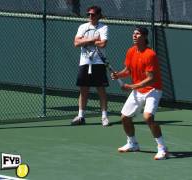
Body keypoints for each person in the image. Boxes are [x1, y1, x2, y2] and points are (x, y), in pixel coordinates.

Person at [111, 26, 169, 160]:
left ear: (144, 37)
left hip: (153, 90)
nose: (134, 36)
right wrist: (118, 74)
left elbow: (151, 79)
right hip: (138, 90)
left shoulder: (150, 54)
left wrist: (131, 86)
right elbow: (128, 70)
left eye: (137, 34)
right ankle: (132, 144)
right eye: (133, 34)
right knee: (125, 117)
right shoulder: (131, 51)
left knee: (148, 117)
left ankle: (162, 148)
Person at [71, 5, 110, 127]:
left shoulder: (104, 27)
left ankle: (104, 116)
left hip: (98, 62)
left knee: (101, 89)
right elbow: (76, 43)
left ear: (98, 15)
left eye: (93, 14)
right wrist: (93, 39)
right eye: (88, 14)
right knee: (83, 89)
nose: (90, 16)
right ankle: (81, 116)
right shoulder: (82, 27)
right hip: (85, 62)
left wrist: (85, 40)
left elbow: (103, 44)